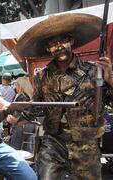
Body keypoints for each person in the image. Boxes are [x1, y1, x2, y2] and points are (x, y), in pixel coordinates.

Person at [14, 13, 113, 179]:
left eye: (62, 41)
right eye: (53, 44)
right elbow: (36, 107)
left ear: (71, 41)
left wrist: (110, 80)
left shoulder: (94, 71)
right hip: (54, 142)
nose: (58, 47)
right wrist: (13, 114)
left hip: (86, 143)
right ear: (47, 49)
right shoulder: (42, 76)